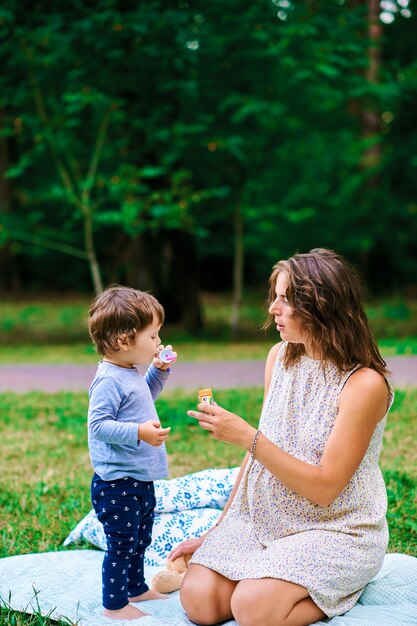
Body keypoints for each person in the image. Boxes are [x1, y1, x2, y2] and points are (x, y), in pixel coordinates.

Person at [170, 248, 394, 626]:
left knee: (251, 608)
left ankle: (340, 590)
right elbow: (257, 456)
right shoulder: (280, 356)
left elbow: (325, 489)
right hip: (266, 523)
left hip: (336, 529)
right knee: (198, 601)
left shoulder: (363, 384)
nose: (273, 308)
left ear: (322, 306)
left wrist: (247, 437)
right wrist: (217, 530)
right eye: (274, 296)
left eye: (286, 299)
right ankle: (273, 578)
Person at [88, 285, 176, 620]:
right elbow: (98, 426)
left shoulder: (130, 373)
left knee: (141, 538)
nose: (158, 342)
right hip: (117, 483)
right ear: (125, 340)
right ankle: (114, 604)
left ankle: (136, 587)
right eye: (153, 337)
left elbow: (145, 397)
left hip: (138, 477)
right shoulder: (108, 380)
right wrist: (139, 432)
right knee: (122, 544)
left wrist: (159, 370)